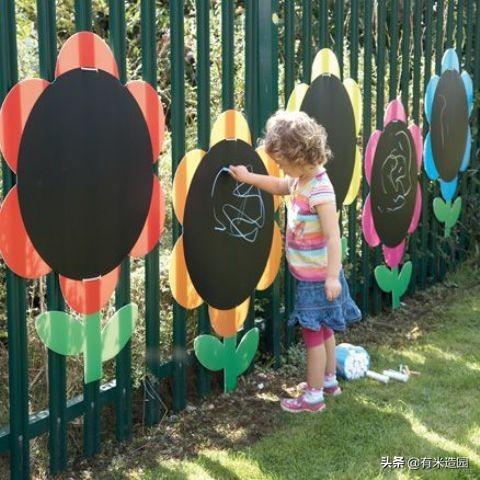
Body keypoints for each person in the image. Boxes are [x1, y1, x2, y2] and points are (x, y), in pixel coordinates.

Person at [229, 110, 361, 413]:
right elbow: (278, 186)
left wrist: (331, 277)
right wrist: (248, 178)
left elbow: (332, 236)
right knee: (325, 329)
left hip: (318, 279)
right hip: (312, 275)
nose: (280, 168)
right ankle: (328, 381)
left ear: (299, 156)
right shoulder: (300, 180)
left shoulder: (320, 189)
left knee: (313, 335)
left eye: (282, 162)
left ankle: (313, 397)